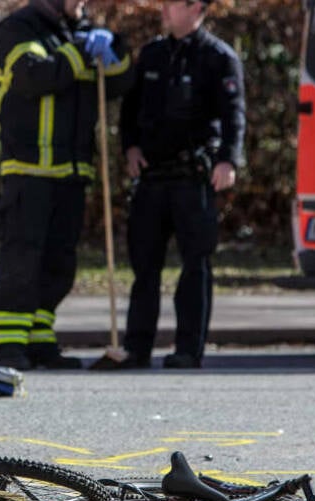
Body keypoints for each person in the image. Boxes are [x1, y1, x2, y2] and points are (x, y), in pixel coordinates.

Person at [0, 0, 133, 371]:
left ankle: (38, 338)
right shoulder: (18, 29)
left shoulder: (80, 35)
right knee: (21, 260)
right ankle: (6, 343)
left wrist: (119, 51)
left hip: (71, 171)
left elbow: (116, 84)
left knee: (58, 264)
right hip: (29, 168)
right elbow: (35, 76)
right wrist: (81, 50)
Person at [113, 0, 244, 369]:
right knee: (144, 267)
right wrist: (130, 148)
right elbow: (130, 110)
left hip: (192, 179)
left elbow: (235, 114)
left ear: (195, 8)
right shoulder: (153, 55)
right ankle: (137, 348)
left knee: (195, 266)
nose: (164, 11)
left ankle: (188, 348)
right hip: (153, 178)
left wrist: (228, 160)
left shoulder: (217, 57)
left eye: (171, 4)